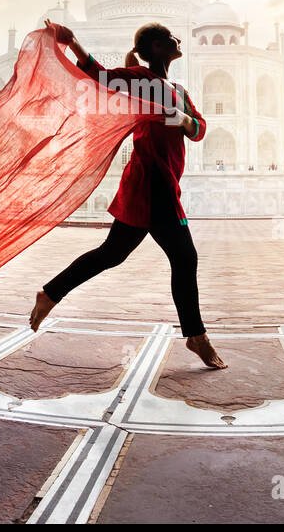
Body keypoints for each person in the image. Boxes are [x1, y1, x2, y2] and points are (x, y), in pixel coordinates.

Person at [30, 20, 226, 369]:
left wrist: (181, 119)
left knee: (112, 253)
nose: (178, 39)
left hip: (162, 183)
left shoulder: (178, 90)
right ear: (156, 48)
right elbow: (100, 77)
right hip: (152, 183)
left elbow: (199, 129)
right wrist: (73, 42)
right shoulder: (140, 80)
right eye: (171, 38)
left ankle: (50, 293)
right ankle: (196, 336)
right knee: (185, 257)